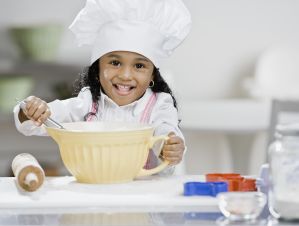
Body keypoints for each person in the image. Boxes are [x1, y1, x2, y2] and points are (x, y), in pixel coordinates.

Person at [14, 0, 192, 174]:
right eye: (115, 62)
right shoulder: (87, 103)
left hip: (144, 197)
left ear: (152, 74)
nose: (125, 75)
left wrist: (170, 146)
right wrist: (31, 110)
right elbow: (41, 119)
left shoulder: (159, 105)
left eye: (139, 66)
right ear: (97, 68)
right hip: (93, 194)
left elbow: (166, 128)